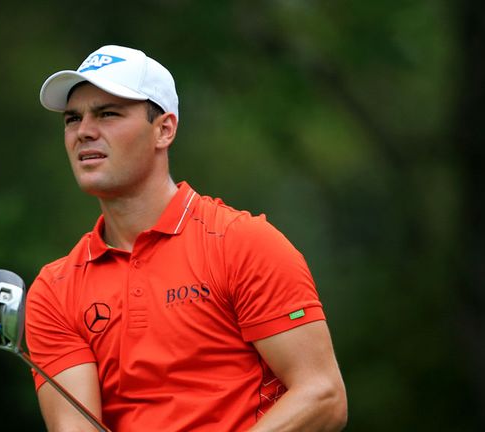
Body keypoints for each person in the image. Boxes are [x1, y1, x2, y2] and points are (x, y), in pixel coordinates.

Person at [26, 44, 347, 432]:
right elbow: (75, 427)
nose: (84, 132)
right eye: (72, 119)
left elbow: (323, 393)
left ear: (164, 130)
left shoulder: (242, 244)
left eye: (108, 114)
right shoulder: (55, 290)